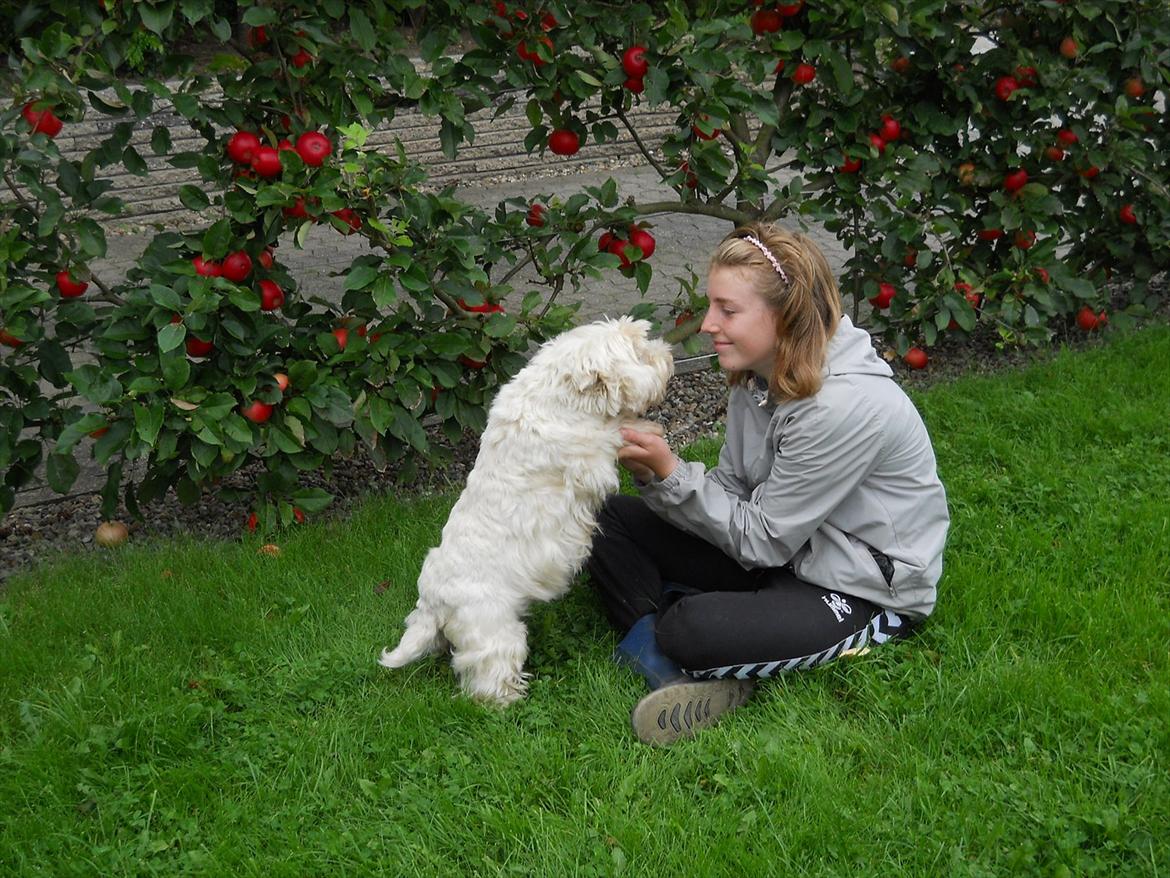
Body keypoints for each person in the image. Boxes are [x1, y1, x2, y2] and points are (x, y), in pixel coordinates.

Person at [586, 222, 950, 745]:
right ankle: (662, 652)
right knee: (607, 518)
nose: (708, 324)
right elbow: (732, 492)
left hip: (855, 589)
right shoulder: (757, 375)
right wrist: (655, 476)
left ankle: (679, 638)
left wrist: (674, 474)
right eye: (711, 305)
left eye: (728, 310)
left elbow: (761, 539)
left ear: (788, 314)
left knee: (692, 627)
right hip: (783, 554)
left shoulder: (843, 407)